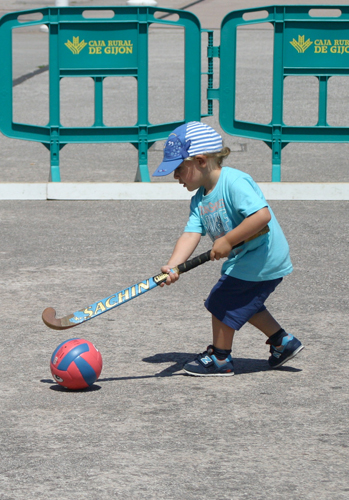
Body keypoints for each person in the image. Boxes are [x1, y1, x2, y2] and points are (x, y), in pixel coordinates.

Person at [152, 121, 303, 377]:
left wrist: (228, 240)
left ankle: (221, 358)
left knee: (222, 300)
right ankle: (283, 342)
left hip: (262, 257)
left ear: (200, 160)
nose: (175, 176)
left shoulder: (234, 182)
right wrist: (173, 265)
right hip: (246, 258)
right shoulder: (199, 198)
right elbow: (191, 233)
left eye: (178, 169)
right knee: (243, 302)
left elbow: (261, 216)